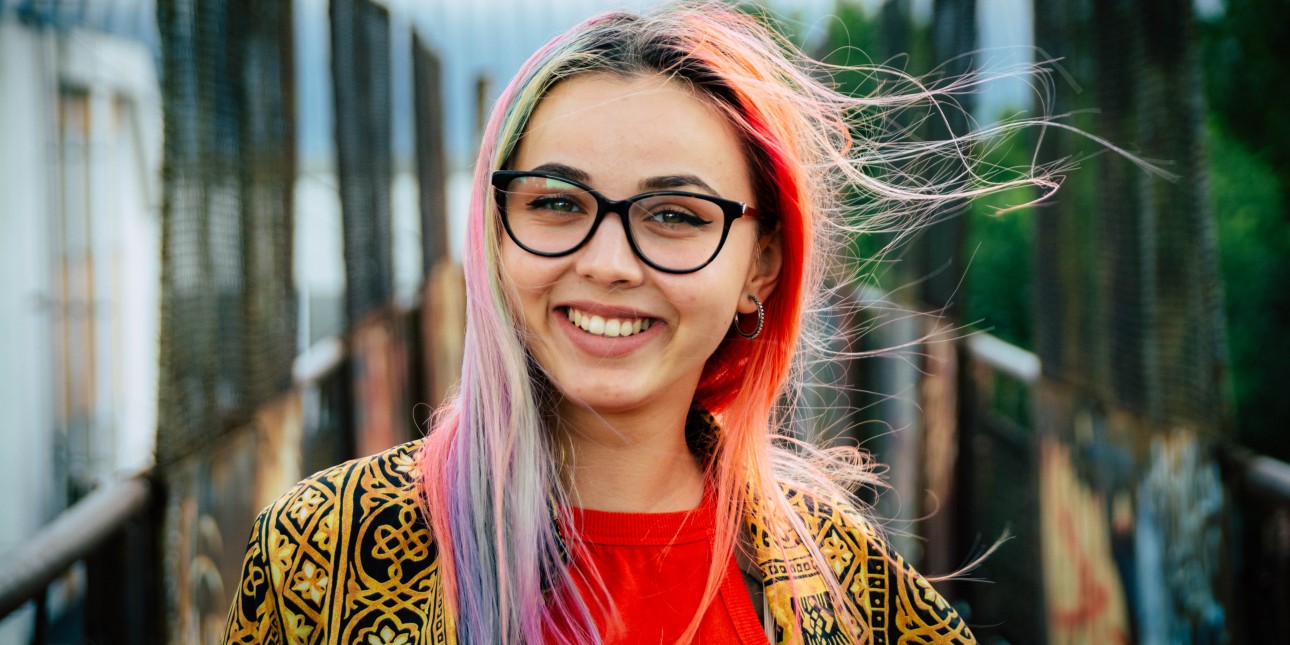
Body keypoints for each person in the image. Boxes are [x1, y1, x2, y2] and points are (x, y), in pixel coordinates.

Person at [224, 3, 1047, 643]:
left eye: (676, 215)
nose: (611, 261)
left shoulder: (846, 580)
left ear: (760, 264)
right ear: (495, 231)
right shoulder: (322, 550)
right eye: (556, 202)